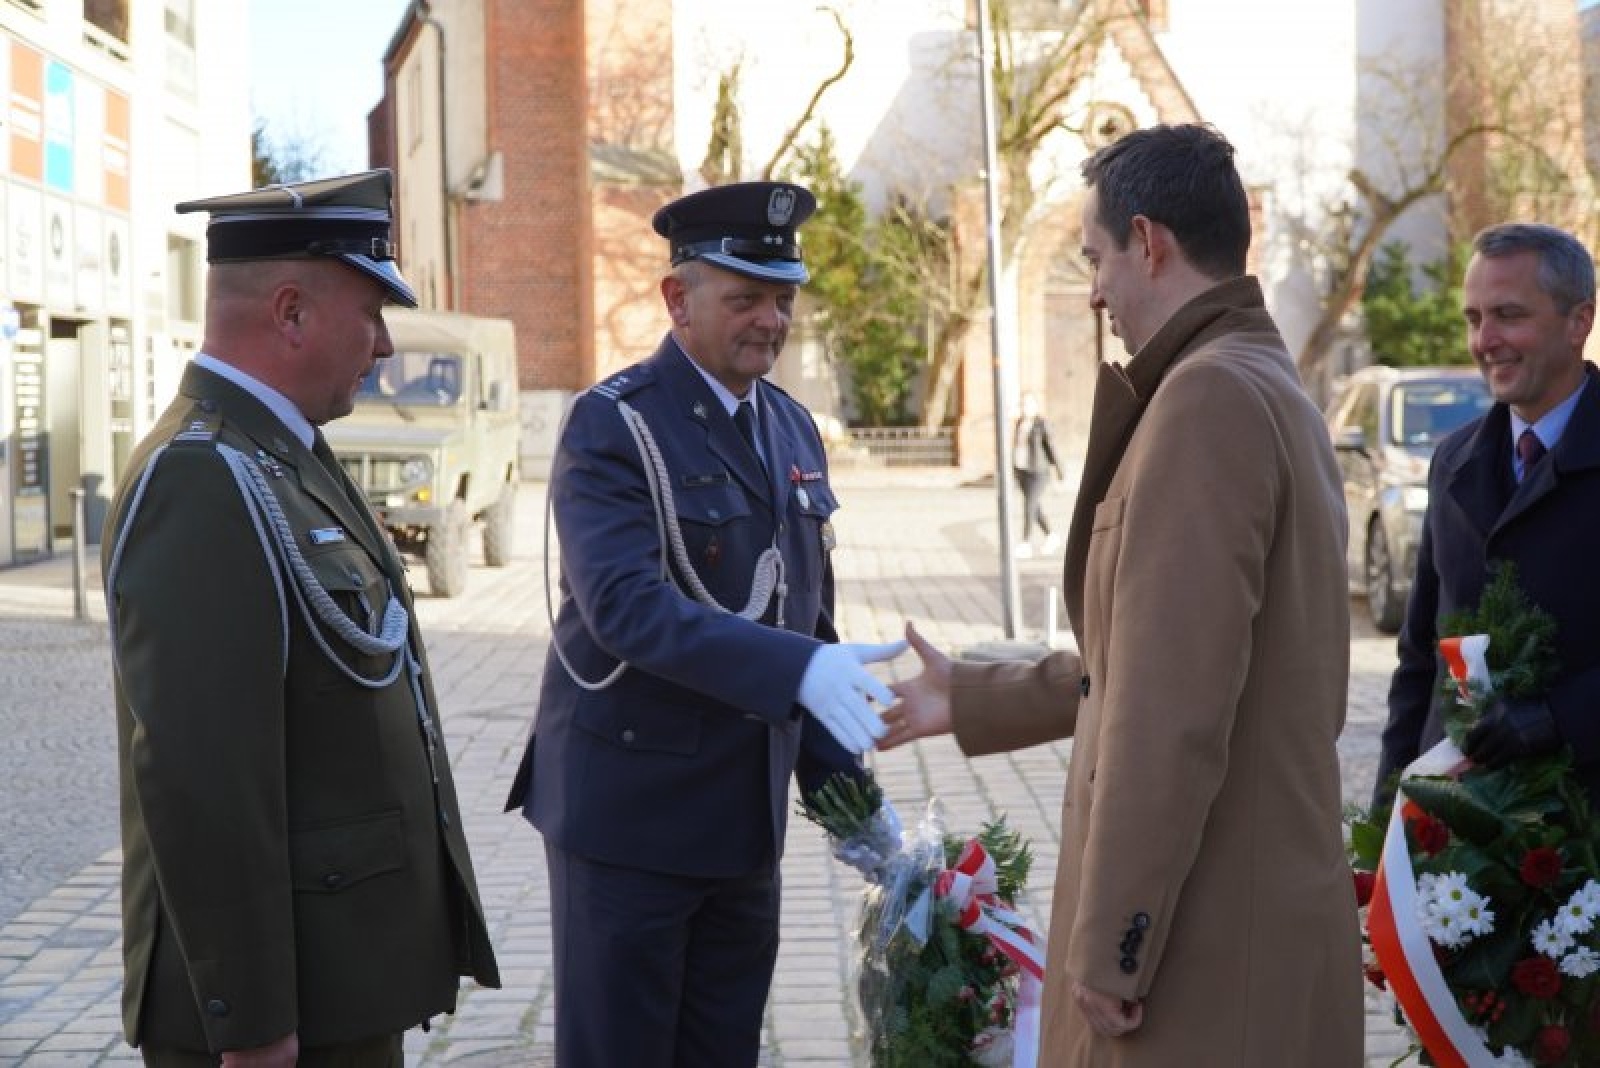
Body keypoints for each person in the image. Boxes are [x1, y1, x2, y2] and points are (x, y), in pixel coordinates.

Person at [879, 124, 1362, 1065]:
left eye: (1095, 257)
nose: (1093, 289)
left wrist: (1112, 947)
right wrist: (975, 696)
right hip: (1245, 926)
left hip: (1203, 953)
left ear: (1149, 242)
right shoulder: (1260, 381)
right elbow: (1173, 656)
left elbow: (1171, 710)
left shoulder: (1206, 399)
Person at [103, 170, 499, 1067]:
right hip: (282, 1016)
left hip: (338, 980)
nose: (387, 345)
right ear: (291, 312)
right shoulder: (202, 475)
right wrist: (250, 1023)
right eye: (372, 313)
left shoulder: (281, 451)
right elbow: (202, 774)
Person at [504, 180, 903, 1067]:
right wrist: (799, 673)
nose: (771, 319)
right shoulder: (614, 425)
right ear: (678, 300)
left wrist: (852, 804)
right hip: (630, 822)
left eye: (784, 298)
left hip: (740, 824)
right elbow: (626, 608)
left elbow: (809, 620)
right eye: (746, 298)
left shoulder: (793, 428)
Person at [1374, 223, 1600, 807]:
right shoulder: (1452, 462)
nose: (1485, 340)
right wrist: (1384, 820)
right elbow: (1420, 657)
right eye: (1474, 319)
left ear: (1580, 321)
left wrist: (1556, 718)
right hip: (1451, 836)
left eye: (1508, 314)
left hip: (1580, 840)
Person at [1012, 390, 1063, 557]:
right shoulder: (1020, 423)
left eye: (1027, 404)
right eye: (1022, 404)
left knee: (1029, 505)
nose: (1024, 407)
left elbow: (1052, 449)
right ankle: (1051, 536)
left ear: (1035, 406)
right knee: (1034, 506)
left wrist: (1059, 472)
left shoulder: (1042, 424)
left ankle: (1025, 543)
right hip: (1022, 470)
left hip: (1038, 472)